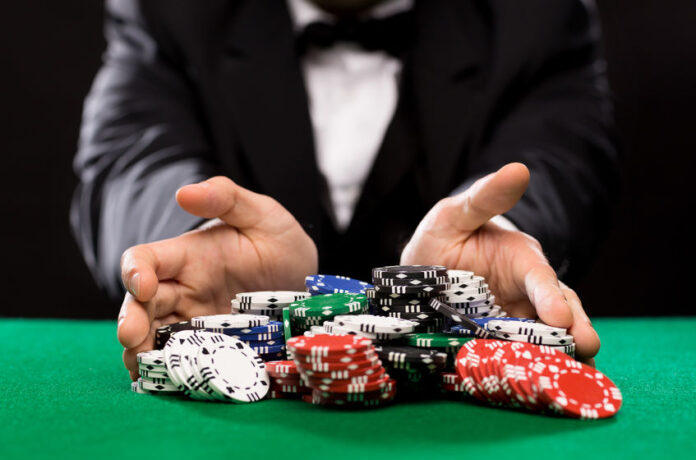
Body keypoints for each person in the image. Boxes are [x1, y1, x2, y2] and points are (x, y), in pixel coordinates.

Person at [71, 0, 619, 380]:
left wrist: (502, 228)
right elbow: (129, 156)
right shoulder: (173, 6)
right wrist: (191, 237)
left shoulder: (538, 12)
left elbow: (564, 156)